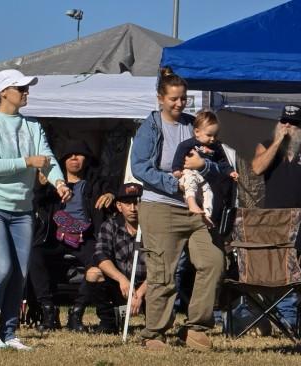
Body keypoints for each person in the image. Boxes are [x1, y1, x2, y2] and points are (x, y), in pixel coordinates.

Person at [0, 69, 70, 350]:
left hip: (21, 209)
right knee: (1, 268)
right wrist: (26, 161)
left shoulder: (32, 126)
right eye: (21, 88)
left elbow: (46, 160)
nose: (26, 92)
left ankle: (10, 333)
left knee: (19, 273)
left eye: (27, 88)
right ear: (3, 93)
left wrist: (59, 182)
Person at [129, 67, 229, 351]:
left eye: (183, 98)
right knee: (162, 272)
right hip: (160, 207)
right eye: (173, 98)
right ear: (160, 98)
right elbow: (139, 167)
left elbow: (221, 165)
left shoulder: (195, 125)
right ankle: (154, 333)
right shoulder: (150, 127)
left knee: (213, 261)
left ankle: (196, 327)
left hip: (197, 212)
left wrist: (204, 167)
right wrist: (176, 185)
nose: (179, 103)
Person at [27, 141, 115, 332]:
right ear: (63, 160)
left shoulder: (94, 184)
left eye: (79, 155)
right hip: (55, 238)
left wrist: (111, 195)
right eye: (70, 155)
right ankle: (48, 310)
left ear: (87, 159)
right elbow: (35, 203)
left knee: (98, 261)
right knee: (34, 255)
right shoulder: (53, 185)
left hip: (85, 238)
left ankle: (77, 312)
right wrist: (41, 188)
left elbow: (111, 188)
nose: (75, 158)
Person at [244, 104, 301, 332]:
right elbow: (256, 168)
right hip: (275, 221)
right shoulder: (267, 145)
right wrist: (278, 142)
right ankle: (265, 317)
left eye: (293, 123)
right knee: (276, 271)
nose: (287, 127)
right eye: (284, 122)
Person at [90, 183, 148, 334]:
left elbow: (163, 265)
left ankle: (153, 322)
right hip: (119, 285)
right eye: (127, 203)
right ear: (119, 206)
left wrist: (140, 293)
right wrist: (122, 279)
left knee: (165, 321)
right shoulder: (110, 225)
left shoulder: (154, 228)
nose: (133, 208)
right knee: (93, 273)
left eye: (137, 203)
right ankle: (108, 322)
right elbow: (100, 256)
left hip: (148, 286)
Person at [170, 111, 236, 227]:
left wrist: (230, 171)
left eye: (215, 135)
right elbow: (179, 154)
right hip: (189, 172)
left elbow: (222, 162)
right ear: (197, 132)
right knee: (191, 182)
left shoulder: (216, 147)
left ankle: (207, 215)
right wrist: (176, 168)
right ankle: (191, 203)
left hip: (204, 179)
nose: (212, 139)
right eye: (209, 135)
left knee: (209, 193)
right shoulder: (189, 144)